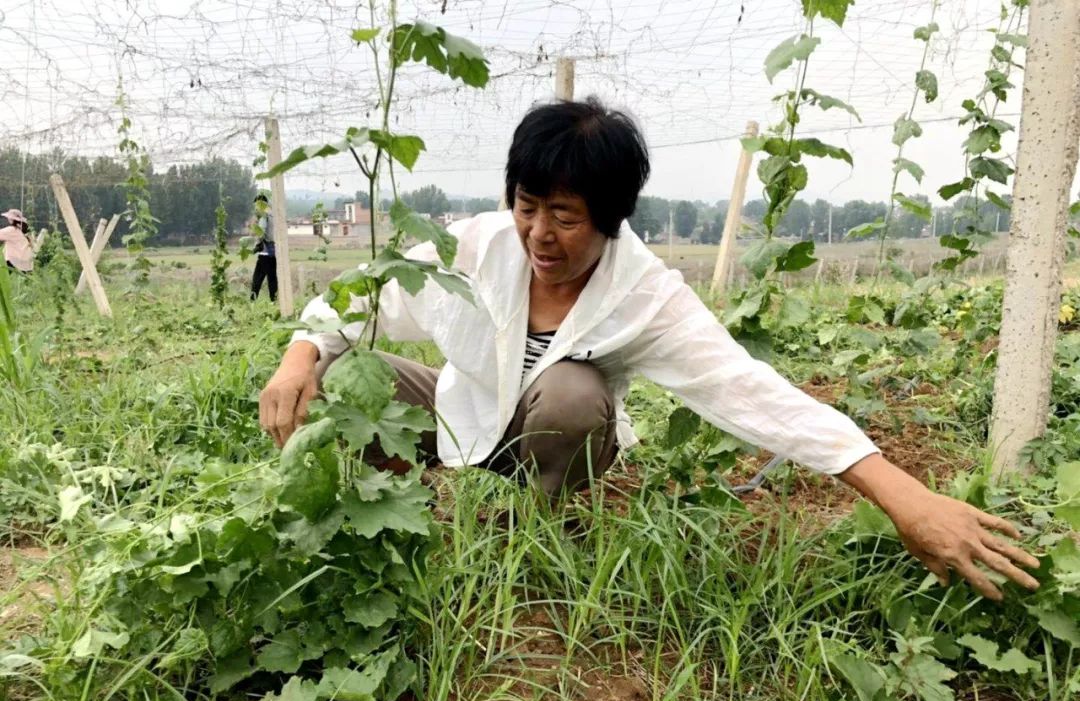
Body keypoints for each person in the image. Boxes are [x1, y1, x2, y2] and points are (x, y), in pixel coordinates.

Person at [259, 97, 1040, 603]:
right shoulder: (477, 243)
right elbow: (364, 295)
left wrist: (907, 498)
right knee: (337, 373)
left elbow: (751, 390)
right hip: (463, 413)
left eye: (564, 215)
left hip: (549, 436)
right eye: (527, 207)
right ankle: (400, 523)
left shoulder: (645, 294)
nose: (539, 234)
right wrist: (299, 355)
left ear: (611, 216)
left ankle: (537, 530)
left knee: (572, 394)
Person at [250, 193, 277, 301]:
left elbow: (261, 231)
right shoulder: (273, 215)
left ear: (260, 204)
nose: (256, 208)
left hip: (265, 251)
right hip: (273, 251)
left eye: (256, 205)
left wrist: (257, 245)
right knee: (272, 278)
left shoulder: (264, 216)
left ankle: (252, 301)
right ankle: (273, 300)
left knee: (257, 278)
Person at [0, 209, 34, 274]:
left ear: (12, 219)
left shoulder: (12, 230)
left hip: (13, 263)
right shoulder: (23, 231)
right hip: (26, 265)